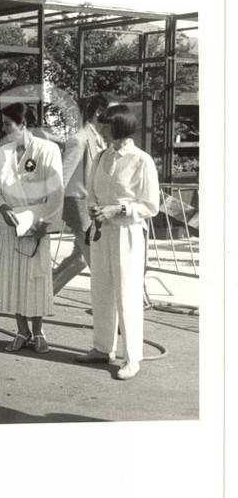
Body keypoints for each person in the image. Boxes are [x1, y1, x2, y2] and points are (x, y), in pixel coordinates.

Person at [76, 104, 159, 381]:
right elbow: (92, 193)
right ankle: (102, 348)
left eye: (106, 126)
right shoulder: (101, 156)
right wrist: (95, 210)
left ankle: (132, 357)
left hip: (127, 233)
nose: (101, 129)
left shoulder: (141, 160)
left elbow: (150, 205)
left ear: (121, 127)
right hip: (102, 232)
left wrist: (119, 211)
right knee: (100, 291)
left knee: (127, 294)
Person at [0, 103, 64, 353]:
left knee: (35, 278)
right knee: (13, 277)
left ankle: (39, 330)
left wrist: (45, 223)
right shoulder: (2, 153)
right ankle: (22, 331)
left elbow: (56, 192)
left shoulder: (48, 149)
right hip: (8, 223)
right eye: (3, 124)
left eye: (8, 124)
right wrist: (1, 208)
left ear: (24, 124)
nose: (4, 128)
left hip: (36, 221)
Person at [53, 95, 108, 294]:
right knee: (96, 263)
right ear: (99, 113)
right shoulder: (79, 139)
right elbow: (63, 176)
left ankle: (40, 295)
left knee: (81, 258)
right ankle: (110, 313)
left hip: (93, 208)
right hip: (80, 208)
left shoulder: (100, 139)